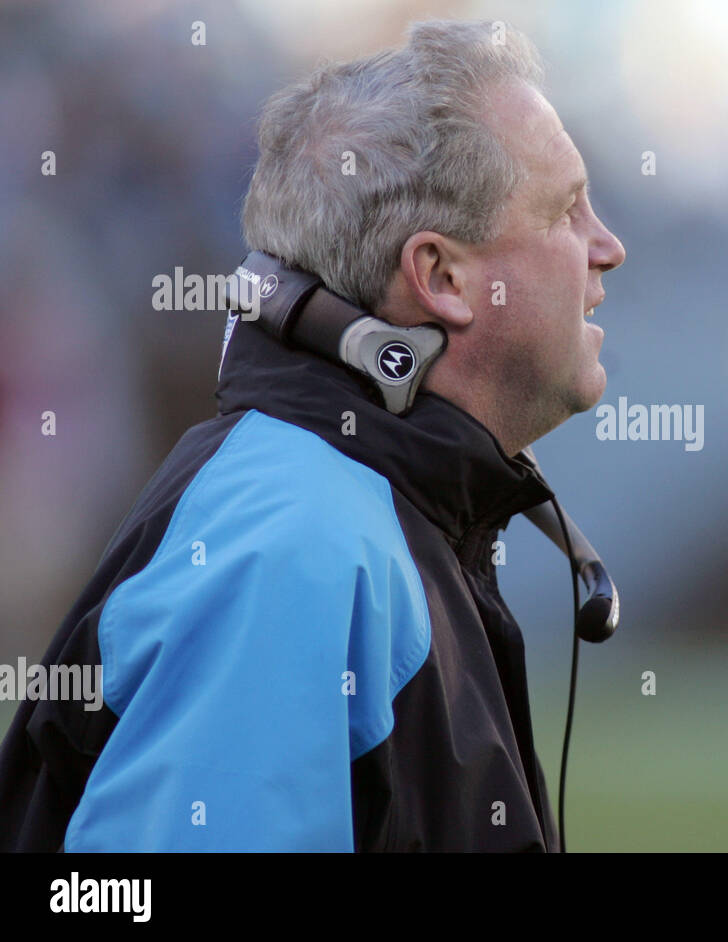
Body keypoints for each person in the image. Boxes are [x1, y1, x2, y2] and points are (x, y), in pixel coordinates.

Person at [0, 18, 626, 852]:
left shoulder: (351, 512)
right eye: (565, 210)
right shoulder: (295, 550)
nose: (608, 247)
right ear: (441, 278)